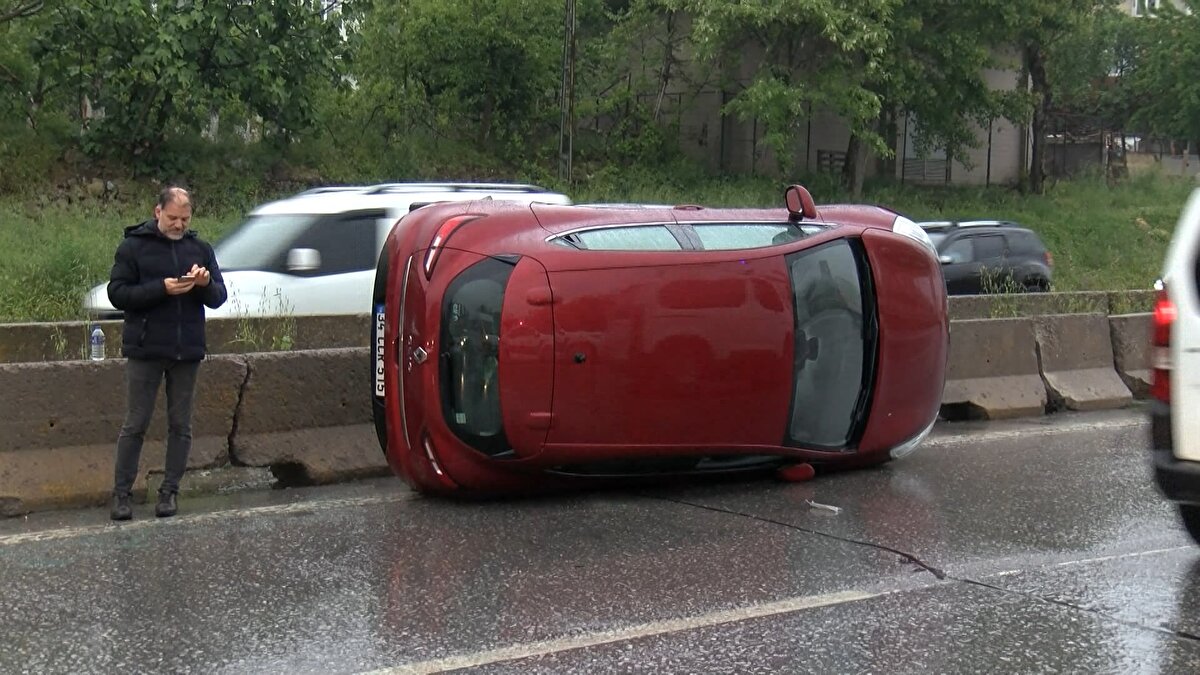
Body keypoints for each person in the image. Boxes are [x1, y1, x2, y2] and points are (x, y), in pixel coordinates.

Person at [106, 186, 227, 520]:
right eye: (173, 218)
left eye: (184, 219)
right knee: (135, 423)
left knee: (181, 425)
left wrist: (203, 284)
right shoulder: (133, 247)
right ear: (157, 211)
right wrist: (161, 289)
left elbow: (219, 296)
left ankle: (169, 492)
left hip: (186, 349)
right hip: (145, 348)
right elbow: (117, 293)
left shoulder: (199, 248)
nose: (178, 225)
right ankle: (121, 495)